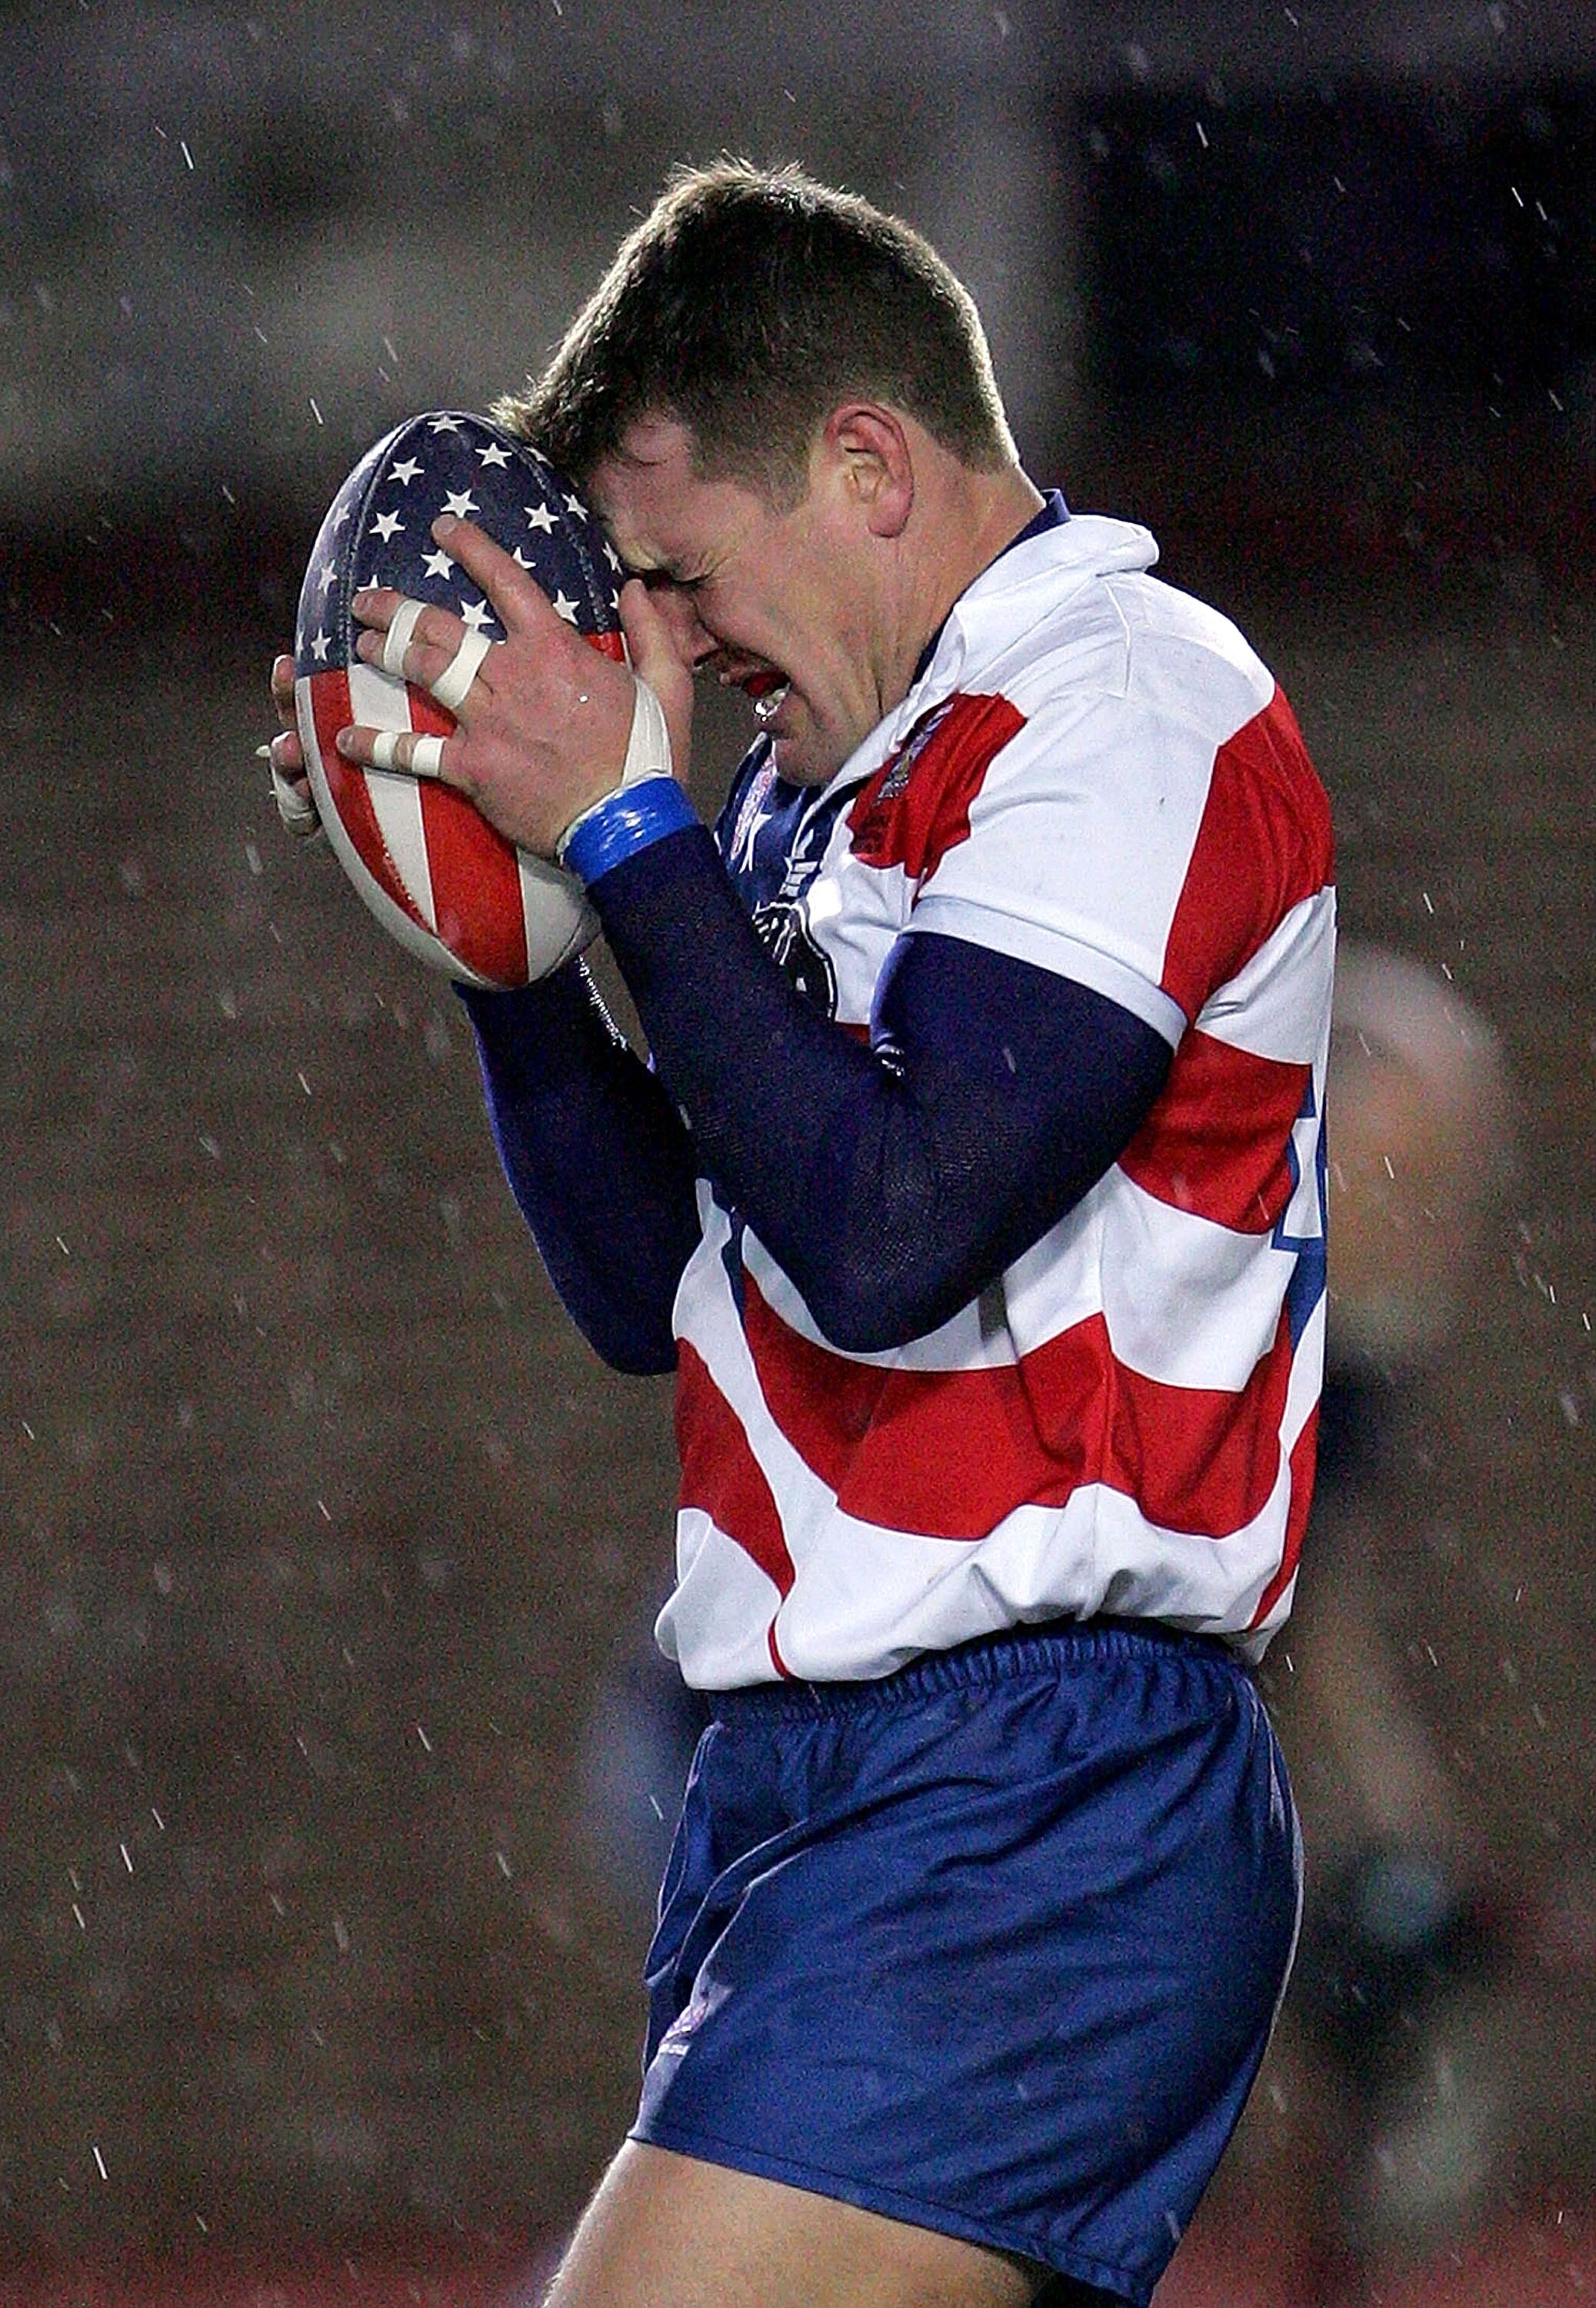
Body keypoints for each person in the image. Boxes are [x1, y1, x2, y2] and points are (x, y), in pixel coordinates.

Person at [267, 162, 1334, 2308]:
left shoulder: (1126, 698)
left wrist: (623, 828)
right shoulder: (801, 792)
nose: (656, 644)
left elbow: (887, 1230)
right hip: (816, 1785)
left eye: (672, 574)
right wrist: (508, 930)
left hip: (1035, 1792)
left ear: (866, 466)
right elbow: (649, 1288)